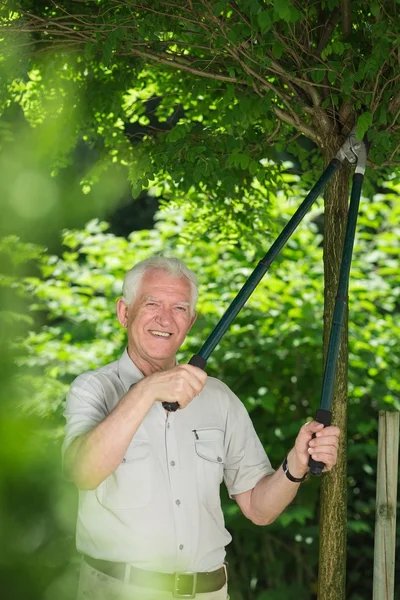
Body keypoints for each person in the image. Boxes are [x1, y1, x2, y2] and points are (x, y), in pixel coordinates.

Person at [63, 256, 340, 600]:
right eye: (152, 304)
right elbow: (81, 472)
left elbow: (259, 508)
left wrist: (296, 464)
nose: (165, 318)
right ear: (124, 312)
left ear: (191, 321)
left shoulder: (219, 399)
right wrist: (147, 390)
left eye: (179, 308)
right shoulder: (92, 388)